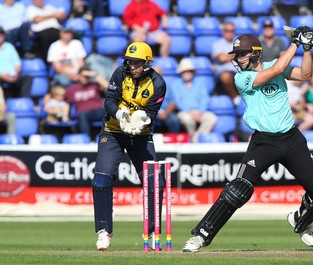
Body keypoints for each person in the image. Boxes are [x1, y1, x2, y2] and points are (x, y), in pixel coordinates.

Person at [182, 28, 313, 252]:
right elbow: (278, 69)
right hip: (263, 142)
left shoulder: (276, 64)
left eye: (241, 54)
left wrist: (307, 49)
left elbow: (305, 75)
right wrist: (295, 42)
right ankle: (201, 236)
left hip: (292, 139)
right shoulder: (242, 78)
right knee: (237, 191)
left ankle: (300, 218)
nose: (237, 59)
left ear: (255, 54)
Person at [92, 41, 166, 251]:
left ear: (148, 63)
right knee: (101, 178)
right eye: (129, 61)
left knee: (155, 183)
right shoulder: (119, 74)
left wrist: (143, 121)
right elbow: (109, 100)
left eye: (137, 63)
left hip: (140, 136)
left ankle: (152, 232)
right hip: (113, 131)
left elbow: (151, 114)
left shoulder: (158, 83)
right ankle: (104, 231)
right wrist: (119, 114)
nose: (131, 66)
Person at [173, 58, 217, 143]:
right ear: (181, 73)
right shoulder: (176, 84)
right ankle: (193, 137)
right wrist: (191, 111)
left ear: (192, 72)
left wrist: (200, 111)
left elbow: (205, 98)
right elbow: (177, 102)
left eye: (189, 71)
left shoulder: (200, 82)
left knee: (212, 118)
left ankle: (196, 138)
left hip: (200, 111)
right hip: (185, 111)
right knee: (187, 119)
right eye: (184, 71)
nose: (187, 73)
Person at [65, 66, 108, 137]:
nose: (86, 78)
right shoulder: (71, 89)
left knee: (111, 112)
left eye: (87, 76)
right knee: (82, 116)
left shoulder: (94, 85)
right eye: (83, 76)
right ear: (78, 76)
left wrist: (94, 74)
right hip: (84, 113)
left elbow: (107, 86)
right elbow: (66, 103)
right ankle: (86, 140)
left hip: (99, 111)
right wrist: (65, 116)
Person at [211, 22, 240, 106]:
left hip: (239, 71)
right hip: (223, 73)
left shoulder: (238, 43)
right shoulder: (217, 44)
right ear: (223, 32)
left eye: (232, 30)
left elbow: (245, 55)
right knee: (225, 76)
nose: (230, 32)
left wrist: (226, 55)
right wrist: (236, 55)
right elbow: (221, 58)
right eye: (227, 30)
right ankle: (236, 99)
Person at [0, 27, 33, 99]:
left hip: (12, 75)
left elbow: (17, 64)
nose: (0, 36)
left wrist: (15, 74)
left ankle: (24, 102)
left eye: (1, 34)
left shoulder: (9, 47)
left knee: (27, 78)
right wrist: (3, 76)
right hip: (1, 76)